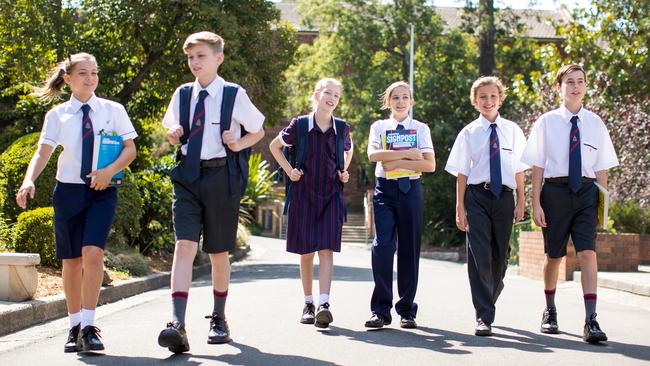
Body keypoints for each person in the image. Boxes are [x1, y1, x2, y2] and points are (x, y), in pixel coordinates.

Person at [16, 52, 138, 353]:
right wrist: (29, 180)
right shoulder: (57, 115)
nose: (91, 78)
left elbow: (130, 150)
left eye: (94, 72)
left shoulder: (113, 110)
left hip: (103, 191)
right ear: (68, 79)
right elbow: (43, 152)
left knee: (93, 253)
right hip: (68, 192)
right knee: (71, 262)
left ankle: (89, 325)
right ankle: (73, 326)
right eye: (83, 73)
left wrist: (109, 172)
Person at [157, 31, 265, 353]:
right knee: (184, 246)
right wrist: (174, 135)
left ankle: (218, 318)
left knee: (218, 252)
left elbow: (258, 129)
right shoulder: (182, 94)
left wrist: (239, 142)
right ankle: (177, 323)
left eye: (201, 56)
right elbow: (172, 131)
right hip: (188, 177)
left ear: (218, 58)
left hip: (222, 177)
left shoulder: (234, 94)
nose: (194, 63)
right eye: (190, 57)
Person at [522, 64, 618, 344]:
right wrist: (536, 202)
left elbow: (602, 170)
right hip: (555, 193)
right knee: (554, 256)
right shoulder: (546, 122)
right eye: (570, 82)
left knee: (588, 252)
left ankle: (591, 319)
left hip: (587, 194)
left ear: (586, 86)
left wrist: (604, 206)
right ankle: (550, 311)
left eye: (580, 82)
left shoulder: (596, 123)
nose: (576, 87)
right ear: (559, 87)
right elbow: (537, 166)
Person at [445, 76, 527, 336]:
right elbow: (461, 174)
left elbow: (519, 170)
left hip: (504, 197)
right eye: (482, 97)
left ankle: (489, 297)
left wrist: (522, 200)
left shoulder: (512, 130)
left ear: (500, 98)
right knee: (479, 255)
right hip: (477, 197)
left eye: (493, 96)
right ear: (474, 101)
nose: (488, 101)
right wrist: (460, 207)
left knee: (500, 256)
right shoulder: (468, 133)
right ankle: (483, 315)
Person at [269, 78, 353, 329]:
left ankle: (324, 304)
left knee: (326, 248)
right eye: (328, 92)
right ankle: (308, 302)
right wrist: (289, 171)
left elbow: (349, 151)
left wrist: (344, 171)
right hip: (304, 193)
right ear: (316, 94)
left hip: (331, 194)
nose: (332, 98)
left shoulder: (342, 127)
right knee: (306, 251)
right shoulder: (300, 125)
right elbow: (275, 147)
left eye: (337, 95)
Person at [364, 81, 435, 329]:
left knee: (409, 249)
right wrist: (408, 154)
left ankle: (407, 310)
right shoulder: (379, 127)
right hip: (385, 191)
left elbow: (429, 165)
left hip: (411, 190)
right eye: (395, 98)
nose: (401, 101)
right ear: (388, 102)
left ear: (412, 101)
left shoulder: (421, 128)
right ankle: (380, 311)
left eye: (405, 97)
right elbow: (374, 156)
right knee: (382, 246)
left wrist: (394, 160)